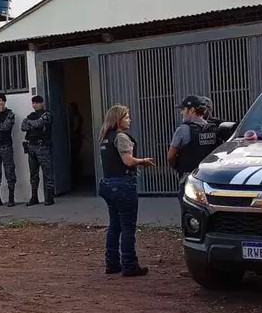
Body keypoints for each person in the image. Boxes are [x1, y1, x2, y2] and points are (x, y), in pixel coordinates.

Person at [98, 105, 155, 277]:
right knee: (128, 227)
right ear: (118, 120)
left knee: (114, 224)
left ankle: (112, 263)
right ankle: (129, 265)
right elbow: (128, 161)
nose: (129, 120)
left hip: (107, 184)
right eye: (127, 117)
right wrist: (143, 161)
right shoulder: (121, 137)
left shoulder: (105, 138)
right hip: (123, 185)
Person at [167, 95, 221, 197]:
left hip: (190, 179)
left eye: (183, 109)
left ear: (192, 110)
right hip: (210, 179)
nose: (181, 112)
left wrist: (178, 167)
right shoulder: (214, 129)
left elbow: (170, 156)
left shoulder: (182, 130)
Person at [20, 95, 55, 206]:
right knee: (33, 174)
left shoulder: (47, 114)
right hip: (31, 147)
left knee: (47, 173)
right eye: (33, 103)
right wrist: (32, 124)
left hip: (42, 147)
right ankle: (34, 197)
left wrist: (31, 123)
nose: (34, 105)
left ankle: (49, 197)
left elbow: (39, 124)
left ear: (42, 103)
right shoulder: (31, 115)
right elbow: (23, 126)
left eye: (36, 103)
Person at [68, 102, 85, 185]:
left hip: (75, 140)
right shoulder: (75, 117)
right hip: (75, 139)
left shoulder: (76, 117)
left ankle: (76, 180)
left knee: (74, 159)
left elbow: (75, 129)